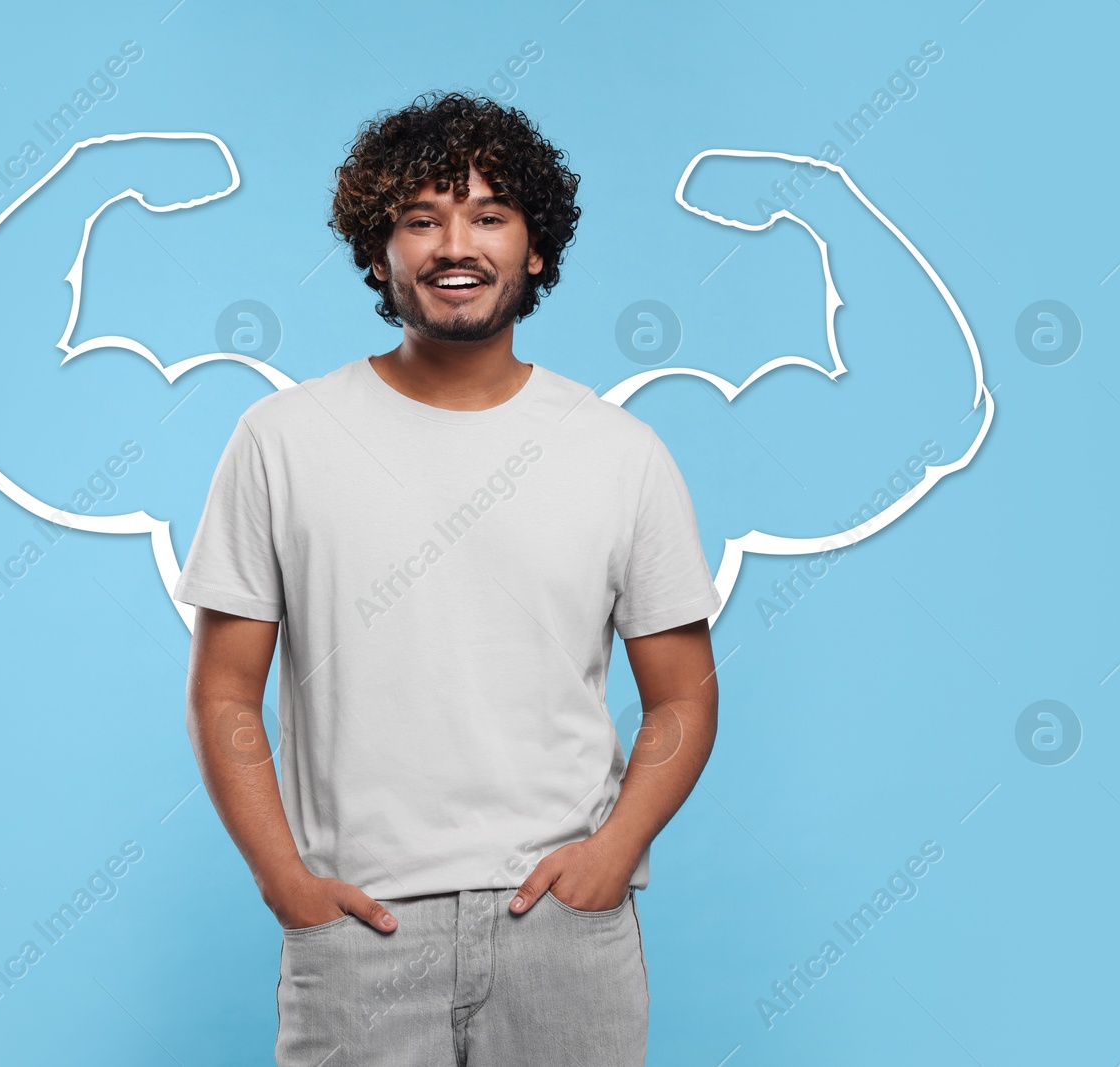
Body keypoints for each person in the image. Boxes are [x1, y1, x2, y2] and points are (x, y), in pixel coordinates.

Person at [174, 89, 721, 1066]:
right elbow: (224, 690)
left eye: (488, 215)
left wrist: (611, 853)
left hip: (565, 928)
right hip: (357, 931)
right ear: (377, 253)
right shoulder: (282, 440)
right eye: (420, 219)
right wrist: (283, 881)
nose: (453, 244)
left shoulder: (619, 451)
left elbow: (682, 693)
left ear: (536, 247)